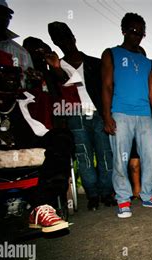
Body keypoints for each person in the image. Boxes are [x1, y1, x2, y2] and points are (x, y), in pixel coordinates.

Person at [0, 49, 72, 232]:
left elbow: (60, 101)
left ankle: (41, 207)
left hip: (28, 140)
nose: (11, 78)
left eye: (15, 74)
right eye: (5, 73)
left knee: (62, 137)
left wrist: (51, 73)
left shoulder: (28, 97)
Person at [101, 12, 152, 218]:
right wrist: (106, 116)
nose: (137, 35)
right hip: (120, 114)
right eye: (133, 31)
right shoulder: (111, 54)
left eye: (140, 32)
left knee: (150, 156)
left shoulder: (148, 62)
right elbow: (106, 86)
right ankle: (123, 199)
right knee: (120, 159)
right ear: (124, 31)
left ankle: (147, 195)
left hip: (144, 115)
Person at [47, 21, 115, 211]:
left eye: (66, 37)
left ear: (73, 37)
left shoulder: (95, 63)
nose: (64, 42)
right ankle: (92, 195)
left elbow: (108, 89)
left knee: (105, 154)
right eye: (58, 39)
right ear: (55, 42)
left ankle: (106, 192)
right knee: (83, 157)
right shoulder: (55, 67)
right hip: (74, 117)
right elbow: (56, 96)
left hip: (99, 115)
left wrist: (108, 115)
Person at [0, 0, 33, 87]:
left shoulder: (22, 53)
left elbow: (30, 86)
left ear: (8, 19)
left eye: (4, 15)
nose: (0, 18)